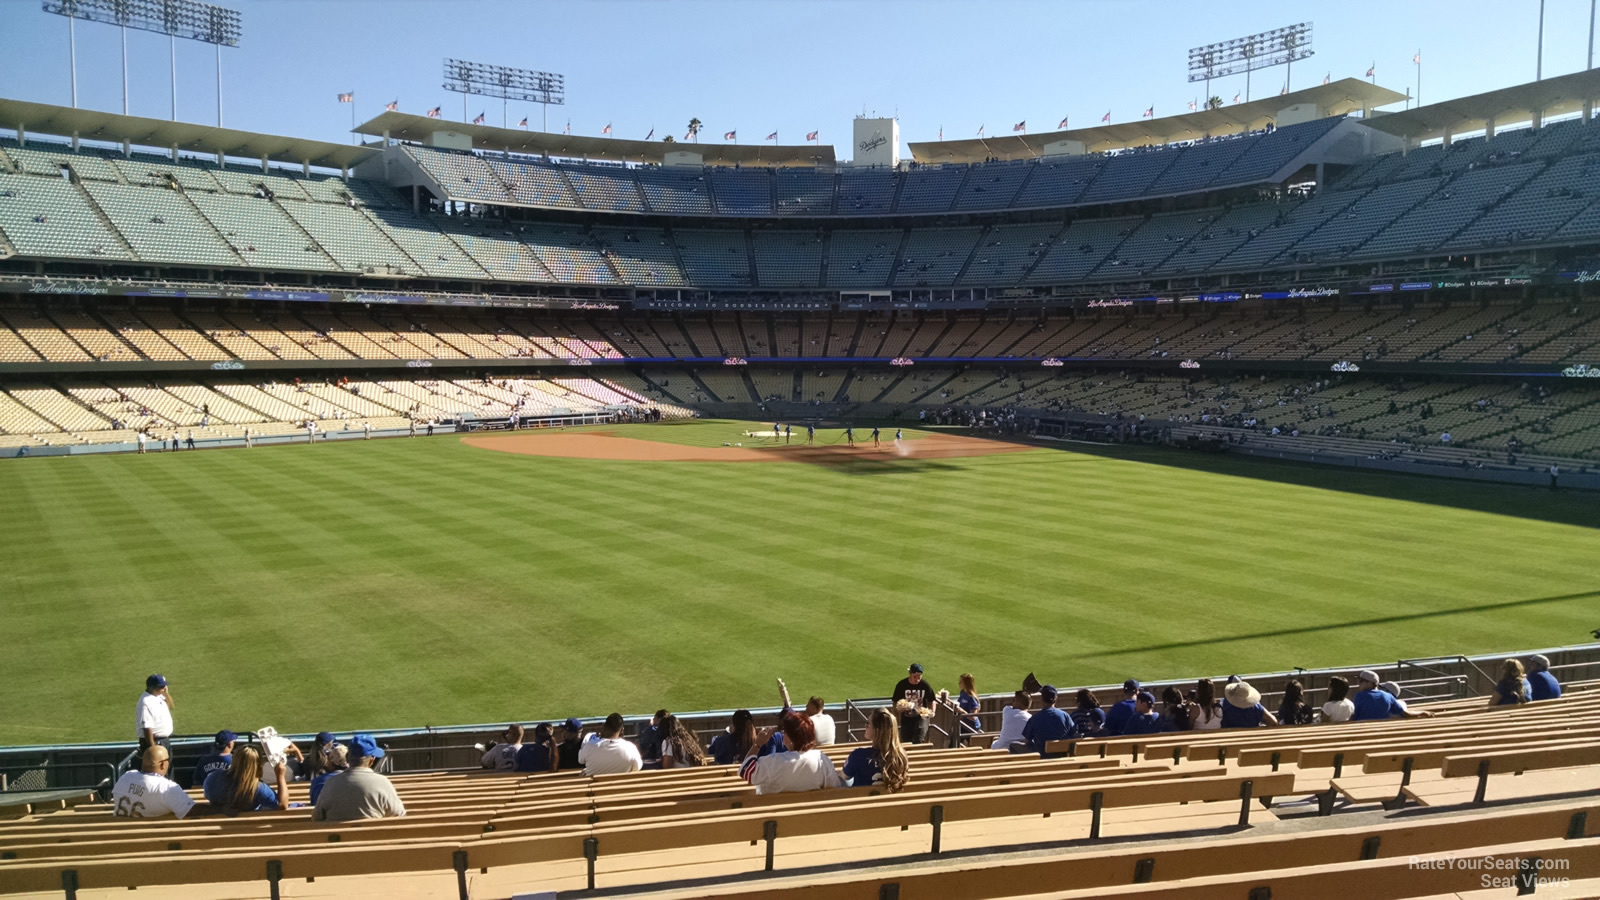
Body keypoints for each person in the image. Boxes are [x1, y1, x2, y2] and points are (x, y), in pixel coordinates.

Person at [738, 707, 844, 795]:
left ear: (790, 737)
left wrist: (757, 744)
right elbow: (833, 788)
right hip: (810, 817)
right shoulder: (821, 759)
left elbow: (745, 771)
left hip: (774, 817)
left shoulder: (773, 762)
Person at [313, 734, 406, 822]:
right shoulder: (383, 782)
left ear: (348, 758)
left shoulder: (330, 783)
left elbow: (317, 817)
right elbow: (398, 814)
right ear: (372, 760)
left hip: (337, 838)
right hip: (373, 837)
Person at [111, 745, 195, 819]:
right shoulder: (166, 787)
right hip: (151, 835)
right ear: (162, 764)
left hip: (117, 832)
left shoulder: (126, 777)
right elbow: (190, 811)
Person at [203, 745, 288, 816]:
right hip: (249, 828)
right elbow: (282, 805)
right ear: (258, 765)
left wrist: (223, 808)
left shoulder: (214, 777)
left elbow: (207, 796)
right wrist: (280, 776)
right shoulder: (258, 788)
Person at [843, 707, 908, 791]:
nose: (865, 726)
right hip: (890, 802)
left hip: (861, 802)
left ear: (877, 730)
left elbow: (844, 776)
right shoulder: (901, 756)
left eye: (868, 723)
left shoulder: (858, 755)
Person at [1017, 685, 1075, 756]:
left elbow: (1027, 740)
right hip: (1062, 756)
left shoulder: (1035, 718)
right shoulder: (1065, 716)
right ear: (1056, 698)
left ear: (1042, 699)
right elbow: (1073, 734)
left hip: (1042, 757)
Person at [1351, 670, 1432, 720]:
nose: (1359, 684)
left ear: (1370, 683)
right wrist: (1422, 712)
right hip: (1382, 730)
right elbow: (1406, 714)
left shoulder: (1359, 696)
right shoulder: (1388, 696)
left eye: (1361, 681)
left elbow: (1354, 718)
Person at [578, 713, 644, 775]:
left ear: (604, 727)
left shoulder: (590, 745)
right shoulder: (631, 748)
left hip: (594, 786)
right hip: (621, 786)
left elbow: (580, 760)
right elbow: (637, 767)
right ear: (622, 730)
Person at [892, 664, 936, 744]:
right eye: (915, 676)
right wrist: (899, 709)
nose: (917, 679)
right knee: (906, 740)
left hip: (921, 716)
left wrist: (931, 711)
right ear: (910, 674)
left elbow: (931, 700)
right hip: (906, 716)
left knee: (919, 736)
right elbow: (895, 702)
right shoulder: (902, 685)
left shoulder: (925, 685)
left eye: (919, 676)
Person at [136, 674, 174, 752]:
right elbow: (147, 728)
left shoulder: (158, 695)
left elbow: (171, 705)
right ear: (152, 687)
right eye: (161, 686)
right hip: (155, 742)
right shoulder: (145, 702)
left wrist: (166, 694)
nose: (164, 688)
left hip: (163, 741)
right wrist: (153, 748)